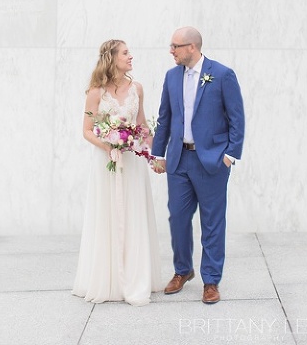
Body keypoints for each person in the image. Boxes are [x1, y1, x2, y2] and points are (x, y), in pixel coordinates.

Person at [150, 26, 245, 304]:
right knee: (177, 218)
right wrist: (158, 155)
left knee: (212, 222)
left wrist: (230, 156)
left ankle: (211, 280)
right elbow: (165, 117)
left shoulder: (222, 75)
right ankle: (183, 270)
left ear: (192, 47)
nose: (171, 51)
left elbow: (236, 119)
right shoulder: (171, 77)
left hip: (212, 161)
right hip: (179, 160)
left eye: (175, 46)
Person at [71, 39, 161, 306]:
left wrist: (154, 156)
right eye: (125, 53)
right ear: (112, 58)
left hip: (132, 163)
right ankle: (109, 279)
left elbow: (142, 126)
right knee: (108, 214)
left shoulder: (138, 89)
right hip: (107, 163)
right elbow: (87, 130)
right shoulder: (95, 93)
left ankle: (135, 276)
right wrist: (110, 144)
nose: (131, 56)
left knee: (133, 214)